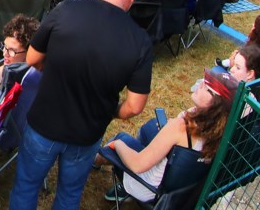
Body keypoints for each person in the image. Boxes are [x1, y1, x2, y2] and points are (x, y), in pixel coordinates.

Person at [9, 0, 153, 210]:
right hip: (87, 133)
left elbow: (32, 58)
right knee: (70, 194)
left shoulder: (66, 10)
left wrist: (49, 68)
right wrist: (112, 110)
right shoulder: (140, 41)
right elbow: (135, 106)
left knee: (26, 185)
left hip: (44, 123)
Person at [101, 67, 238, 203]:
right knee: (149, 129)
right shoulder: (222, 133)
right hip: (177, 192)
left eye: (207, 86)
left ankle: (91, 160)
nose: (200, 83)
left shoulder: (180, 127)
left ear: (215, 104)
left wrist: (117, 145)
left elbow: (137, 165)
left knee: (121, 139)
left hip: (149, 189)